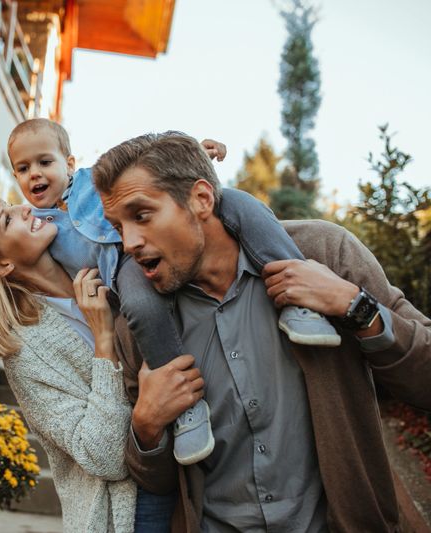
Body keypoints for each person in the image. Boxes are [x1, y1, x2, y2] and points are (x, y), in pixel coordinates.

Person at [92, 132, 431, 532]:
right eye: (118, 226)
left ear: (201, 199)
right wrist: (147, 427)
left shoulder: (325, 253)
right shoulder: (141, 325)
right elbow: (158, 482)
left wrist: (357, 308)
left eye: (142, 215)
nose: (129, 242)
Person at [6, 118, 340, 468]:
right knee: (141, 304)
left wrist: (196, 150)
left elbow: (145, 162)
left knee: (239, 202)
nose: (35, 174)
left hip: (150, 244)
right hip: (125, 269)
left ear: (69, 163)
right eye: (23, 169)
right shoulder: (37, 226)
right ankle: (187, 408)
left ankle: (298, 298)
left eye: (45, 162)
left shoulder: (93, 181)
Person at [0, 195, 143, 532]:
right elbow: (105, 456)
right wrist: (103, 339)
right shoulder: (27, 354)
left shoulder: (106, 262)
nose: (25, 208)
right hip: (125, 515)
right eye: (7, 220)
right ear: (3, 264)